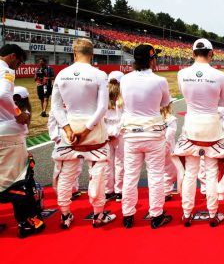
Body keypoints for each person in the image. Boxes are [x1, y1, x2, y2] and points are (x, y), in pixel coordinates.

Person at [51, 38, 115, 229]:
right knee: (98, 174)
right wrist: (86, 129)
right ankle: (98, 215)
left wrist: (68, 128)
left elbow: (56, 106)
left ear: (74, 53)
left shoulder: (62, 74)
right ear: (92, 53)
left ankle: (65, 215)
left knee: (66, 175)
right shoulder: (99, 74)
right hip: (93, 130)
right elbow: (103, 107)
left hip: (69, 131)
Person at [173, 38, 224, 227]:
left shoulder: (182, 74)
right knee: (211, 173)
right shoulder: (219, 75)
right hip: (212, 125)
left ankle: (187, 212)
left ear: (193, 53)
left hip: (192, 125)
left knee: (191, 172)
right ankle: (213, 212)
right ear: (211, 53)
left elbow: (185, 95)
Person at [120, 44, 172, 229]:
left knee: (130, 176)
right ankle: (156, 215)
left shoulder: (124, 80)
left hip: (132, 134)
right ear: (151, 59)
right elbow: (165, 103)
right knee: (156, 175)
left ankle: (127, 214)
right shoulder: (159, 81)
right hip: (153, 133)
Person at [0, 45, 45, 238]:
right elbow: (3, 95)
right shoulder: (5, 70)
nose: (17, 67)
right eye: (18, 62)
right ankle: (26, 222)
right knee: (17, 180)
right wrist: (18, 113)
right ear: (12, 56)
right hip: (7, 134)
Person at [198, 107, 224, 201]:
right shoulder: (199, 101)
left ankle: (220, 192)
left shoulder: (221, 106)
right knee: (202, 163)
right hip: (202, 137)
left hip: (217, 137)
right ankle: (205, 190)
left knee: (220, 163)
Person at [104, 71, 124, 202]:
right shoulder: (123, 98)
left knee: (107, 163)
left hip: (106, 132)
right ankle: (119, 191)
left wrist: (107, 133)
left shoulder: (102, 96)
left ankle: (107, 190)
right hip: (119, 132)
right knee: (120, 162)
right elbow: (124, 117)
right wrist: (115, 132)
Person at [162, 100, 178, 200]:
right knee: (170, 170)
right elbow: (170, 135)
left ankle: (159, 191)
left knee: (155, 171)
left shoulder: (152, 118)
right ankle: (166, 191)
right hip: (167, 148)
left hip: (153, 147)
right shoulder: (171, 119)